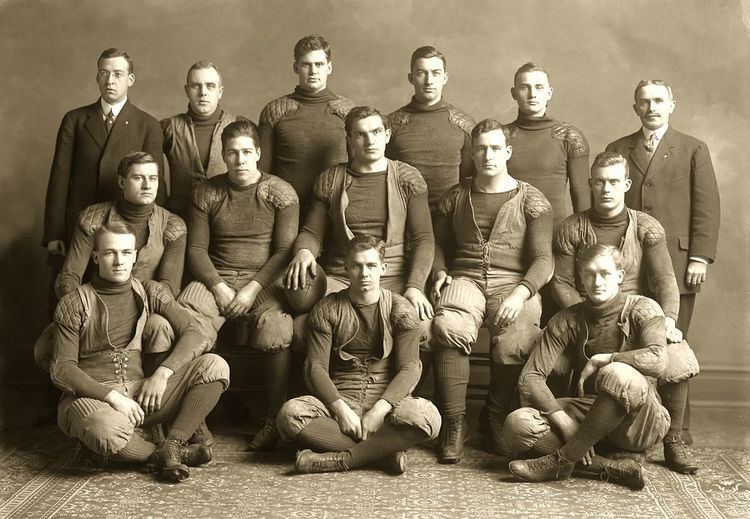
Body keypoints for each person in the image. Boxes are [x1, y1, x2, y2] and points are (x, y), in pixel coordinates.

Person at [504, 244, 696, 489]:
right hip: (590, 414)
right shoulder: (567, 319)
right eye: (589, 274)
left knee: (617, 373)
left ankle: (563, 460)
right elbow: (530, 378)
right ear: (580, 279)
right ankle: (610, 467)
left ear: (619, 276)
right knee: (516, 425)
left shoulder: (643, 308)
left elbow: (658, 359)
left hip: (640, 419)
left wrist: (607, 358)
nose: (597, 281)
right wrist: (564, 422)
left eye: (604, 273)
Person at [50, 221, 229, 483]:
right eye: (110, 253)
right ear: (96, 256)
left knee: (215, 366)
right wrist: (112, 397)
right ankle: (159, 455)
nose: (119, 260)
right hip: (92, 400)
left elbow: (194, 331)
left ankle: (173, 444)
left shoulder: (149, 290)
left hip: (139, 397)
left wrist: (161, 375)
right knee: (104, 427)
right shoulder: (74, 302)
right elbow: (62, 369)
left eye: (126, 252)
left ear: (135, 255)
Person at [551, 151, 696, 473]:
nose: (606, 189)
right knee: (552, 358)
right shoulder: (572, 227)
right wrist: (581, 313)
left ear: (626, 184)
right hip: (587, 313)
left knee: (678, 354)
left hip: (637, 317)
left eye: (614, 182)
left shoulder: (646, 227)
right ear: (590, 184)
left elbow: (665, 281)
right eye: (600, 182)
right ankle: (588, 434)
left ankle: (672, 439)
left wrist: (668, 321)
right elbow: (560, 282)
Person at [431, 119, 553, 463]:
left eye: (496, 148)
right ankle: (456, 424)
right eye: (481, 148)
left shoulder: (532, 200)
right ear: (472, 152)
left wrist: (521, 294)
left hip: (512, 284)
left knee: (518, 337)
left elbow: (544, 260)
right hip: (465, 278)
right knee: (448, 326)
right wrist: (440, 271)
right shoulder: (455, 196)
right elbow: (437, 243)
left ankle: (495, 414)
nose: (488, 155)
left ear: (508, 152)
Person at [606, 80, 720, 443]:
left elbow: (707, 206)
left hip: (679, 260)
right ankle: (631, 426)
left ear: (672, 103)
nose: (651, 107)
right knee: (631, 342)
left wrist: (699, 256)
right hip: (630, 259)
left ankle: (677, 431)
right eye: (644, 102)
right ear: (635, 107)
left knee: (673, 343)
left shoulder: (692, 149)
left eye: (658, 100)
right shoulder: (618, 148)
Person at [178, 119, 298, 451]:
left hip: (264, 283)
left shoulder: (280, 192)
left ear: (258, 153)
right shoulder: (208, 191)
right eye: (232, 153)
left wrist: (252, 288)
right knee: (186, 320)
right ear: (223, 155)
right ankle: (193, 419)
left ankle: (274, 419)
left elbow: (284, 251)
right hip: (217, 278)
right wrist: (217, 286)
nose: (240, 160)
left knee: (275, 328)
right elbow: (197, 250)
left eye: (247, 152)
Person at [277, 235, 441, 474]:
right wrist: (340, 410)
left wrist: (379, 410)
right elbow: (315, 367)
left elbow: (410, 368)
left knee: (428, 417)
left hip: (387, 406)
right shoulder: (327, 308)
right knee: (290, 414)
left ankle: (342, 459)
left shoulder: (401, 309)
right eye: (357, 266)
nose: (364, 273)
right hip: (341, 401)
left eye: (371, 266)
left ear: (383, 268)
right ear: (346, 268)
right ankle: (383, 453)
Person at [43, 48, 164, 313]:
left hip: (126, 230)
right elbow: (59, 176)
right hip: (78, 226)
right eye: (104, 73)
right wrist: (54, 232)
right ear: (97, 78)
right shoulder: (75, 120)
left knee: (120, 301)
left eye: (118, 74)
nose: (110, 80)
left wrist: (155, 236)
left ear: (130, 79)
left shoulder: (148, 125)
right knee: (70, 293)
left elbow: (155, 185)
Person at [504, 62, 591, 330]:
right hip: (511, 243)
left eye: (539, 87)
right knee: (514, 320)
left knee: (558, 319)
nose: (532, 93)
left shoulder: (568, 136)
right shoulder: (503, 136)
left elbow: (581, 196)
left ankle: (554, 373)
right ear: (514, 92)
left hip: (557, 244)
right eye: (525, 87)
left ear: (549, 92)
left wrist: (581, 247)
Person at [55, 151, 185, 299]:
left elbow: (169, 286)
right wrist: (82, 309)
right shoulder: (92, 218)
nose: (147, 186)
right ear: (122, 182)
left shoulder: (173, 226)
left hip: (150, 306)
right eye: (138, 178)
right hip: (98, 304)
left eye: (153, 178)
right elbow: (68, 278)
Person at [258, 35, 355, 218]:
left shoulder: (347, 112)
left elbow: (360, 168)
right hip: (286, 212)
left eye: (319, 64)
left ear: (329, 67)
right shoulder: (275, 111)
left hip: (336, 210)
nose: (313, 71)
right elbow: (261, 175)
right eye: (306, 65)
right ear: (296, 67)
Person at [386, 45, 475, 211]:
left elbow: (470, 182)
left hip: (451, 220)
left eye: (436, 73)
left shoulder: (464, 125)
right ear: (411, 78)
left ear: (445, 77)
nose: (429, 81)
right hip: (404, 218)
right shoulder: (391, 125)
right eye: (421, 73)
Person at [161, 61, 246, 220]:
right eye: (195, 86)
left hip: (228, 219)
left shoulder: (240, 125)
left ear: (220, 91)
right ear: (187, 90)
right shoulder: (168, 128)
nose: (203, 93)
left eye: (210, 86)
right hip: (180, 219)